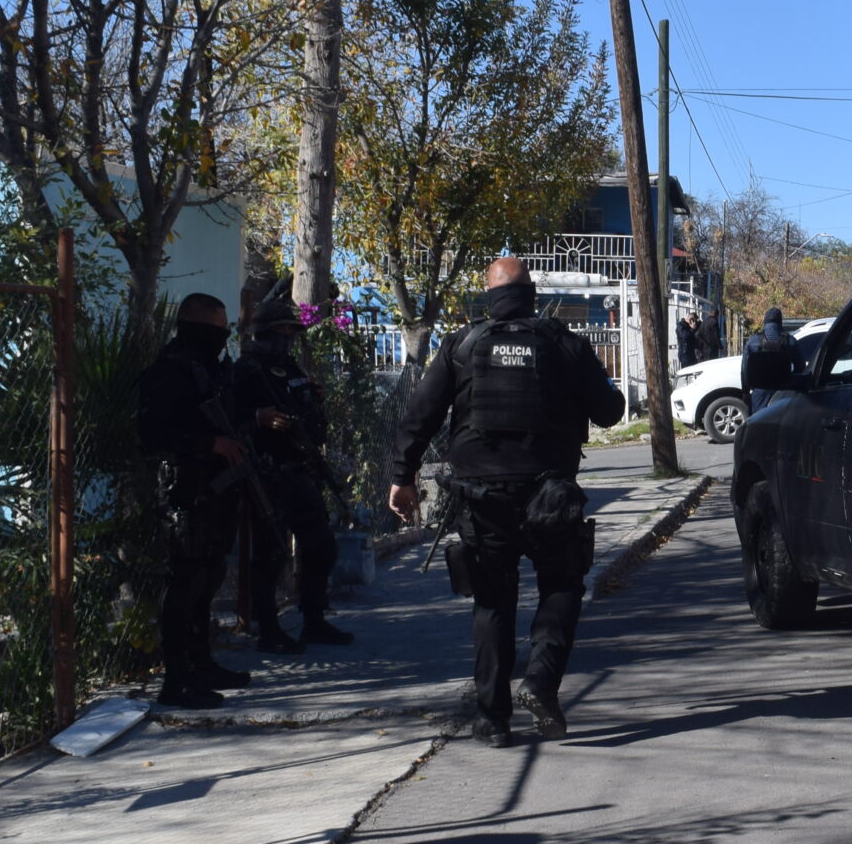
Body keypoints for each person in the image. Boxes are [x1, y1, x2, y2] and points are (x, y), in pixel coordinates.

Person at [387, 256, 626, 747]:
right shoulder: (563, 343)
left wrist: (402, 475)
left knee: (493, 602)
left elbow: (421, 413)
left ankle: (492, 721)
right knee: (562, 586)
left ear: (489, 296)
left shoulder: (463, 344)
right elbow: (610, 411)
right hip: (550, 495)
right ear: (531, 293)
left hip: (482, 498)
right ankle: (540, 682)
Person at [139, 293, 254, 709]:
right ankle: (176, 680)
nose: (221, 339)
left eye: (224, 331)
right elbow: (151, 435)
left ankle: (202, 664)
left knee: (207, 582)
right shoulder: (169, 371)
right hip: (183, 494)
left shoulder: (213, 369)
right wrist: (209, 443)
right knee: (185, 586)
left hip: (215, 493)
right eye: (215, 331)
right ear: (193, 328)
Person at [232, 298, 354, 654]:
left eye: (290, 331)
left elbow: (312, 414)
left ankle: (313, 620)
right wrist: (257, 417)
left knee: (322, 546)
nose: (286, 339)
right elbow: (226, 419)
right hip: (265, 472)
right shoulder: (246, 371)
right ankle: (268, 629)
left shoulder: (293, 369)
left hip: (301, 470)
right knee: (270, 553)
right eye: (279, 332)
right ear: (264, 334)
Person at [743, 305, 795, 411]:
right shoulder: (791, 341)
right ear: (780, 322)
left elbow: (745, 369)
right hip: (784, 392)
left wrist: (745, 392)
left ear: (765, 321)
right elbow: (801, 367)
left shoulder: (753, 341)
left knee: (758, 423)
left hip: (759, 392)